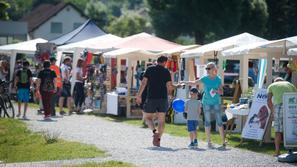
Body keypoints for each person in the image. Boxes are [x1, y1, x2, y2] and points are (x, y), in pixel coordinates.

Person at [136, 56, 180, 147]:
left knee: (147, 117)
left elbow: (143, 83)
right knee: (161, 121)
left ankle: (154, 131)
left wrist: (139, 95)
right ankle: (158, 138)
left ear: (157, 61)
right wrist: (173, 92)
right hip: (163, 98)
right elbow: (169, 86)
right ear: (165, 62)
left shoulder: (149, 69)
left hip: (151, 97)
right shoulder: (166, 71)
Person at [181, 62, 226, 148]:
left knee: (219, 122)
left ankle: (223, 142)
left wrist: (216, 91)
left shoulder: (218, 79)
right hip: (206, 103)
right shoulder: (205, 78)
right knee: (207, 122)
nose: (207, 70)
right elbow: (194, 83)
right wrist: (185, 82)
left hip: (216, 102)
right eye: (206, 69)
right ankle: (209, 142)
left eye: (208, 68)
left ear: (214, 69)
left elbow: (221, 92)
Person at [267, 77, 297, 156]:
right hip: (291, 106)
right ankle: (291, 149)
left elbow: (268, 100)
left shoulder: (271, 85)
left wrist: (273, 111)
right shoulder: (289, 84)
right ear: (283, 81)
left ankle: (277, 151)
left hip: (279, 107)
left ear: (275, 81)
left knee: (278, 130)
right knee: (292, 128)